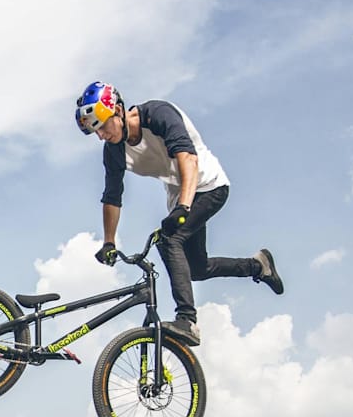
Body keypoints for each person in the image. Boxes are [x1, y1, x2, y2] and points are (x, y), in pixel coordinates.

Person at [74, 81, 282, 346]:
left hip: (208, 186)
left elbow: (188, 159)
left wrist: (183, 207)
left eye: (102, 126)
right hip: (179, 194)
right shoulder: (114, 150)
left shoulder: (158, 115)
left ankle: (187, 320)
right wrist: (109, 242)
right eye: (95, 132)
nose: (101, 135)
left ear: (117, 110)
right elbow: (112, 197)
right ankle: (258, 265)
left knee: (169, 240)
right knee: (196, 268)